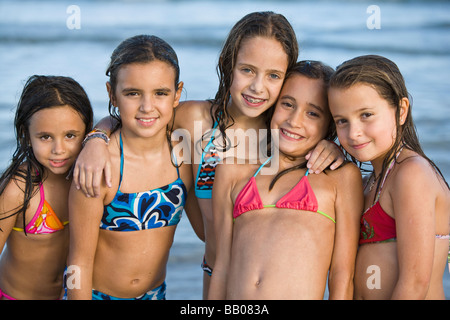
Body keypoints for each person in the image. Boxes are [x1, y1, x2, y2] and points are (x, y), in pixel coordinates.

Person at [72, 12, 344, 298]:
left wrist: (332, 144)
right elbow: (143, 113)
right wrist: (96, 138)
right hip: (215, 273)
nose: (257, 87)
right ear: (228, 65)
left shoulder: (287, 138)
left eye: (273, 75)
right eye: (247, 70)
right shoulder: (193, 121)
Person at [209, 61, 363, 299]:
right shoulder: (231, 172)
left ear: (329, 125)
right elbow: (221, 267)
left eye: (312, 113)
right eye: (287, 104)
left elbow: (342, 275)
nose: (294, 120)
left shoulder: (339, 177)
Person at [65, 35, 196, 300]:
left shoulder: (183, 157)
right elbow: (78, 260)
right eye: (132, 93)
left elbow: (206, 232)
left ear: (177, 94)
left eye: (160, 93)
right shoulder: (98, 167)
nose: (147, 107)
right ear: (112, 94)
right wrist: (97, 138)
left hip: (156, 295)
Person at [328, 54, 450, 299]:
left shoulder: (411, 174)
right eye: (342, 121)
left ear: (401, 110)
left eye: (366, 115)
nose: (354, 133)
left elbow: (415, 282)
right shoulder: (367, 183)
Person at [0, 75, 93, 300]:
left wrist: (100, 138)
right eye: (45, 137)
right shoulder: (19, 188)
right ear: (26, 135)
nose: (58, 149)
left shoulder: (84, 177)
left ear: (87, 131)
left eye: (70, 136)